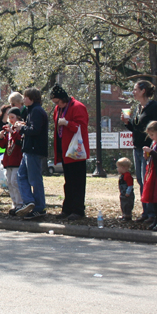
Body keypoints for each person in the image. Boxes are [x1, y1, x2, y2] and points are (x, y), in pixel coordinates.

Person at [122, 80, 157, 222]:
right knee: (140, 180)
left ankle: (152, 213)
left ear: (143, 91)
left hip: (148, 149)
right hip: (137, 148)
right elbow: (136, 129)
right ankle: (145, 211)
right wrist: (128, 123)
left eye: (135, 89)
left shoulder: (154, 107)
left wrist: (153, 146)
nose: (133, 92)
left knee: (148, 180)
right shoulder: (138, 108)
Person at [50, 84, 89, 221]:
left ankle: (78, 210)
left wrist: (67, 123)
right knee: (68, 182)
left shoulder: (78, 107)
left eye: (57, 102)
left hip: (76, 151)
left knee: (77, 182)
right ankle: (67, 208)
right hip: (65, 150)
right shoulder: (58, 109)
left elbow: (82, 127)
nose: (56, 105)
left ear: (63, 99)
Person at [15, 88, 49, 219]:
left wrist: (22, 128)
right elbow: (33, 127)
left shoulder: (36, 111)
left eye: (25, 97)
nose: (23, 99)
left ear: (32, 98)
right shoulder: (32, 111)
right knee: (21, 175)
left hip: (34, 150)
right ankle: (29, 201)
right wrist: (24, 125)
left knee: (35, 180)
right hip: (28, 149)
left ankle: (40, 208)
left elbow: (35, 130)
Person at [0, 107, 24, 215]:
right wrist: (1, 137)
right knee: (9, 182)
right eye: (9, 118)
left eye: (13, 117)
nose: (11, 120)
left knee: (15, 181)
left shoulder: (19, 128)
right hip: (8, 160)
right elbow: (3, 145)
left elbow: (18, 141)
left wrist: (12, 132)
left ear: (18, 117)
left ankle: (20, 203)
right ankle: (14, 204)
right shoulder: (10, 129)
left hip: (17, 160)